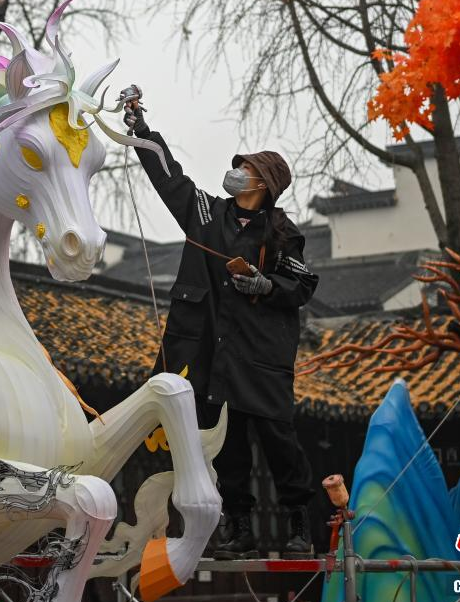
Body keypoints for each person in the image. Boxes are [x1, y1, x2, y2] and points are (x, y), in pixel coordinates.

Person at [122, 86, 319, 559]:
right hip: (214, 354)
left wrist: (266, 285)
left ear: (263, 184)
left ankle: (299, 523)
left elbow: (302, 284)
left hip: (262, 357)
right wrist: (142, 130)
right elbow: (171, 179)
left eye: (246, 168)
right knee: (225, 445)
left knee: (278, 441)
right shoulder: (207, 213)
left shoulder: (283, 233)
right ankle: (239, 529)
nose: (236, 172)